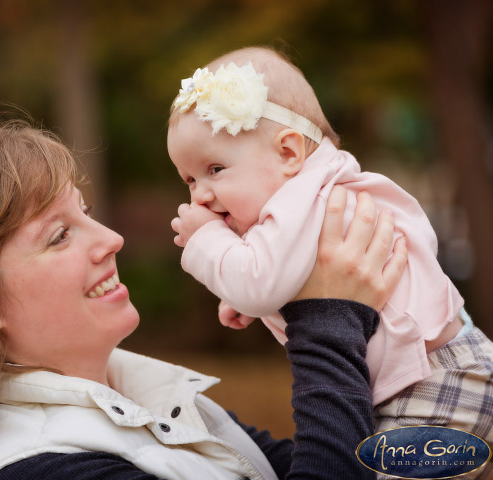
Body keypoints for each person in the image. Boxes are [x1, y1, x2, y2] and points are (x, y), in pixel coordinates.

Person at [0, 118, 405, 480]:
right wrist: (327, 321)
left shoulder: (141, 396)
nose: (112, 240)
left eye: (86, 214)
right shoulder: (36, 469)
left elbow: (320, 461)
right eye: (59, 235)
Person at [167, 46, 493, 442]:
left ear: (288, 152)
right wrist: (247, 289)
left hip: (433, 381)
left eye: (214, 170)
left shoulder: (306, 200)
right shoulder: (322, 190)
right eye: (190, 180)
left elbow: (260, 283)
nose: (200, 195)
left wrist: (206, 241)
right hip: (446, 366)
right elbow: (289, 273)